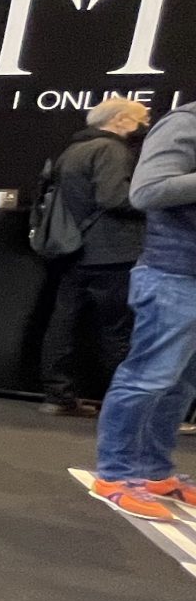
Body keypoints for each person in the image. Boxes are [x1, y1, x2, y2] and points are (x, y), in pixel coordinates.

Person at [91, 97, 196, 521]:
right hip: (175, 274)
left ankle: (154, 472)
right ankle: (114, 475)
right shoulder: (186, 122)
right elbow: (147, 190)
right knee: (149, 378)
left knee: (182, 385)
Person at [41, 97, 150, 416]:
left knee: (64, 324)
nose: (145, 125)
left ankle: (57, 396)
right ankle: (126, 407)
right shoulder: (112, 150)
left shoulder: (73, 150)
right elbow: (114, 198)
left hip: (72, 249)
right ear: (120, 120)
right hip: (113, 252)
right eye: (141, 119)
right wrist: (156, 200)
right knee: (117, 330)